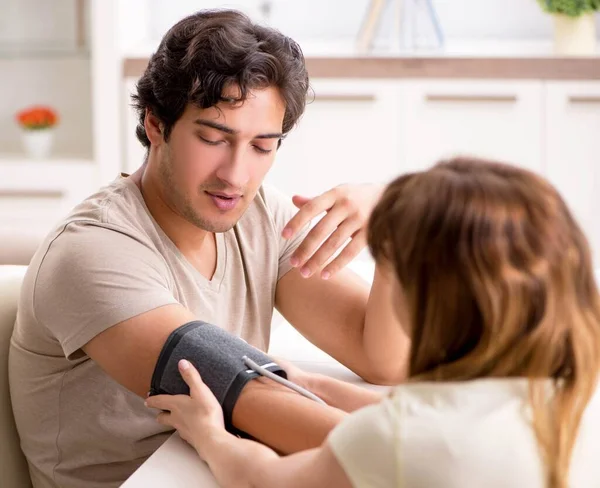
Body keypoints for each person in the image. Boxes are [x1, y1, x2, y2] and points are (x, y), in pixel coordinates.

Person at [8, 9, 408, 488]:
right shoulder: (93, 253)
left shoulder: (261, 215)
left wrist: (395, 224)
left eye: (262, 146)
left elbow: (380, 355)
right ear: (156, 125)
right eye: (214, 138)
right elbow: (251, 395)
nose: (236, 176)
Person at [147, 157, 600, 488]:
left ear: (423, 299)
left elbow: (263, 479)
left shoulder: (397, 441)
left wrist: (207, 432)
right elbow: (421, 419)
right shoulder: (565, 388)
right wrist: (314, 384)